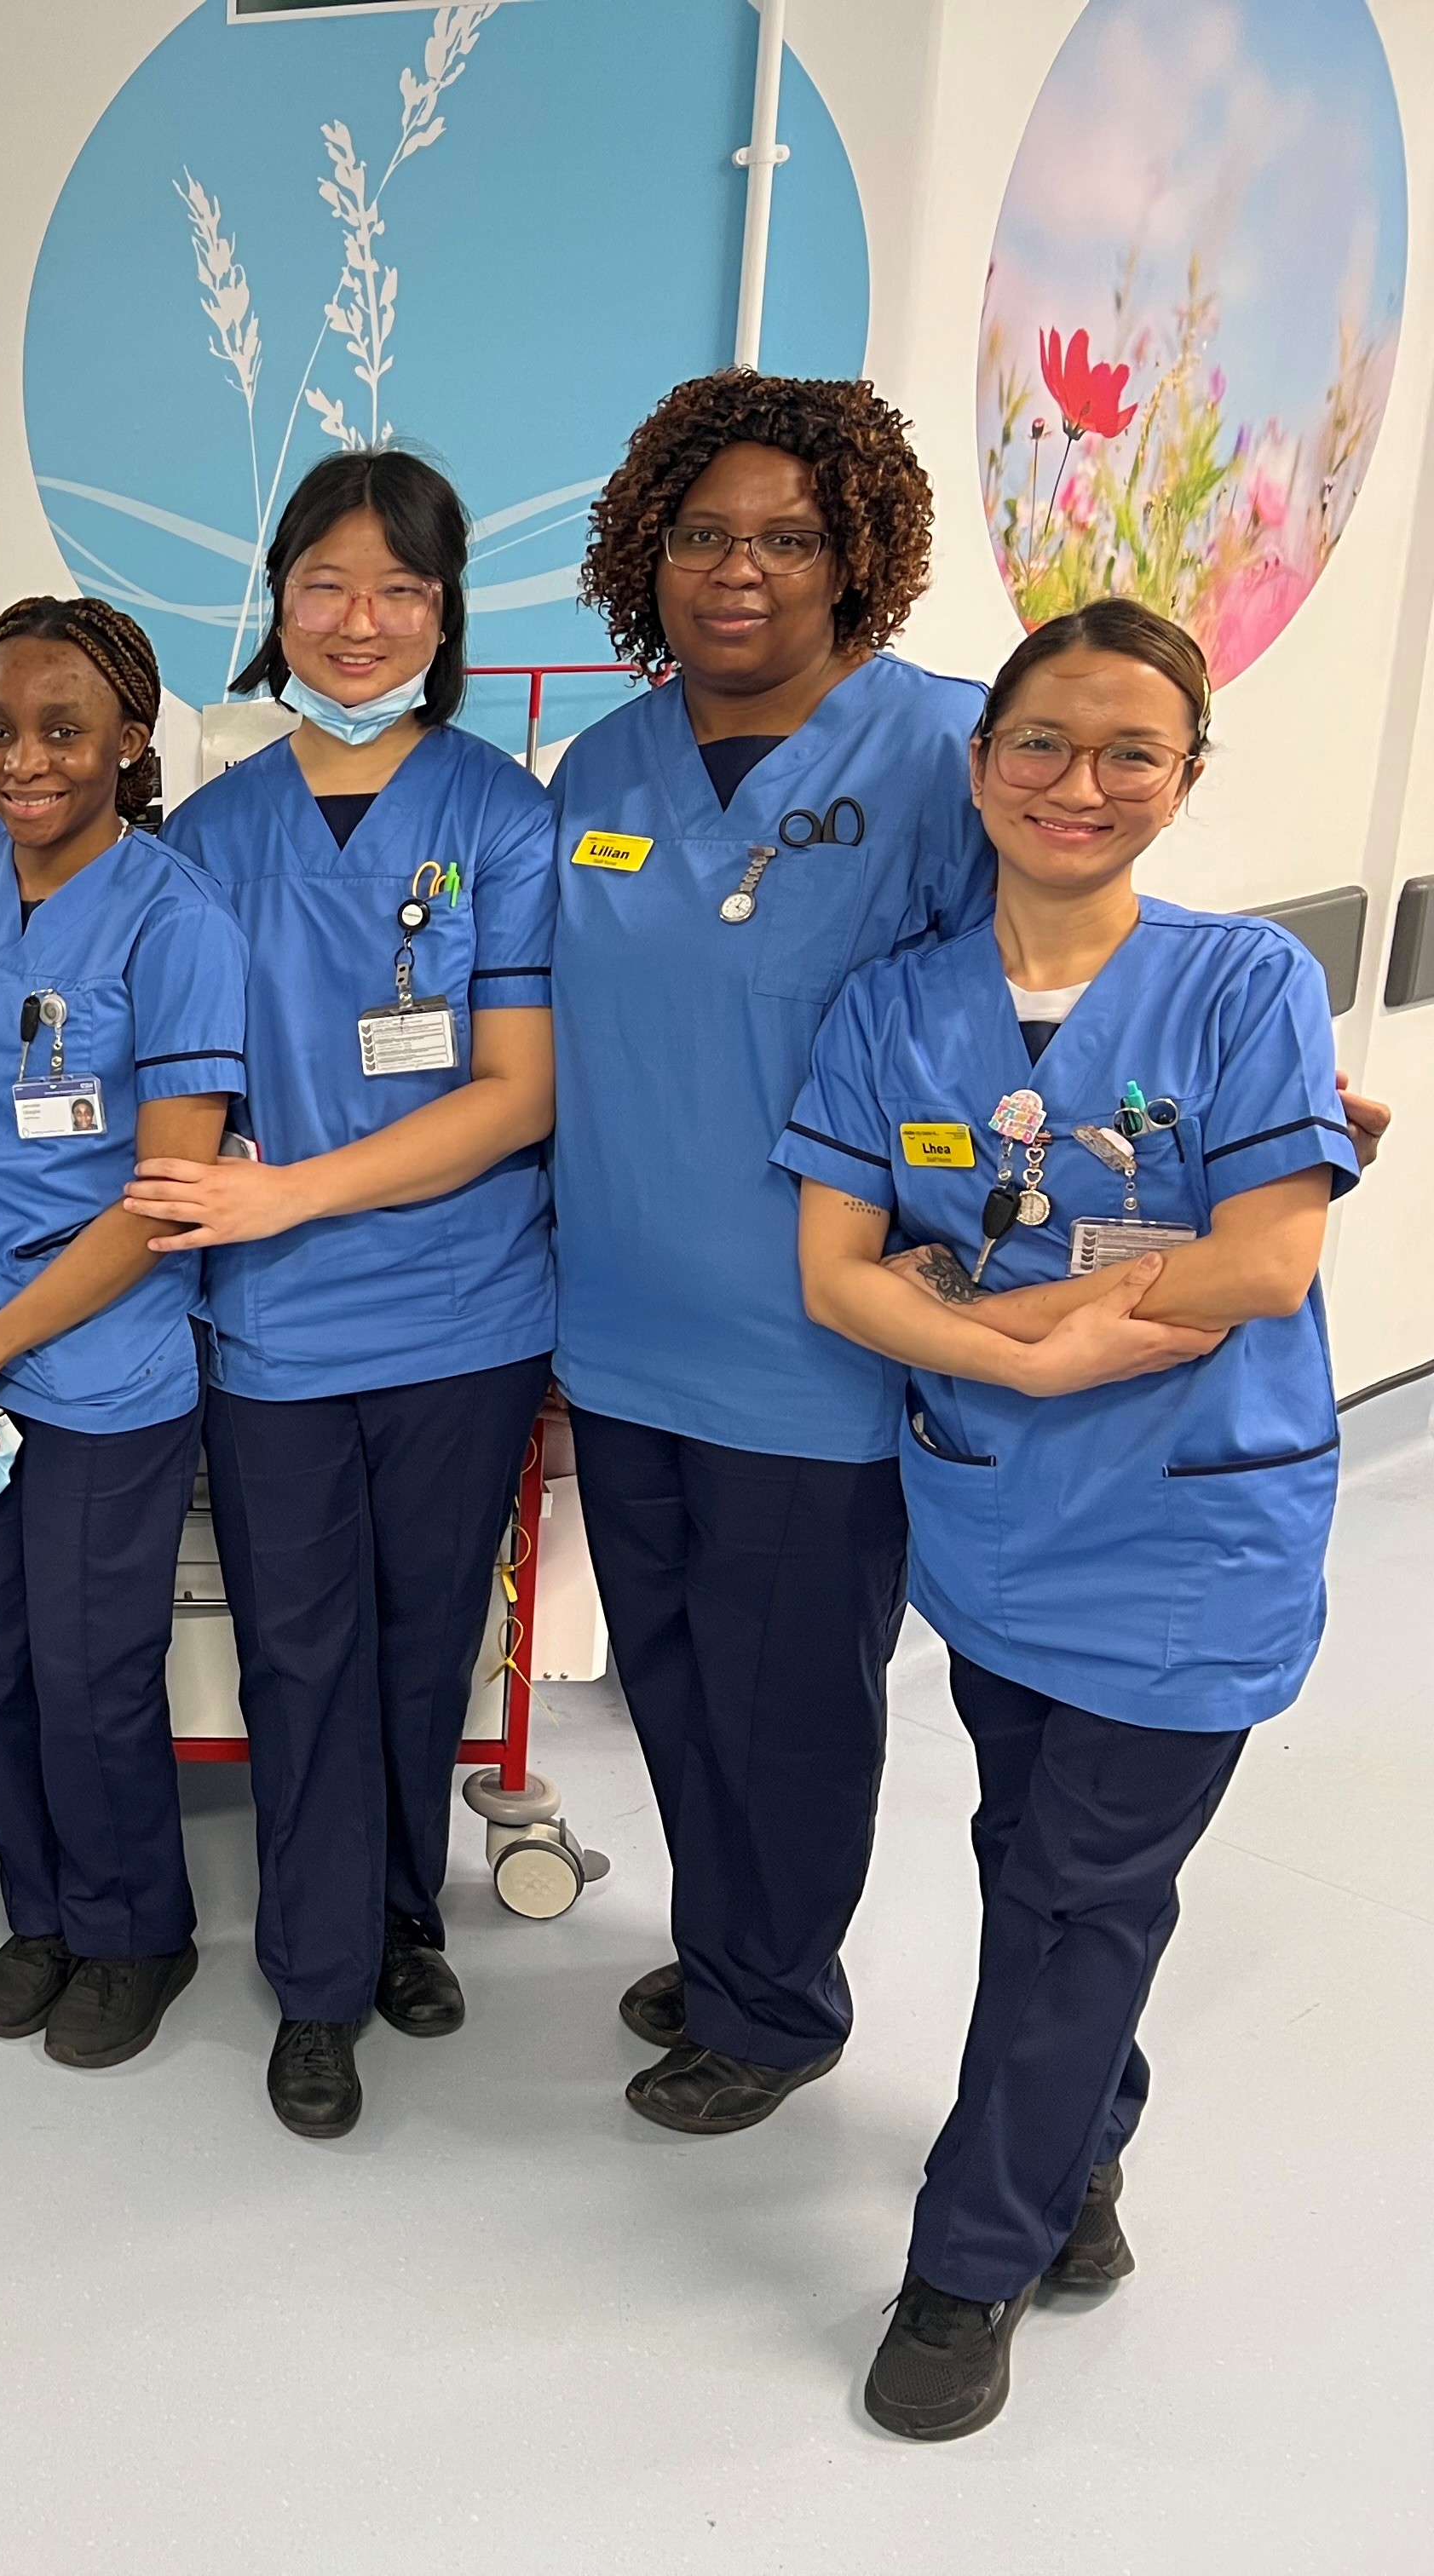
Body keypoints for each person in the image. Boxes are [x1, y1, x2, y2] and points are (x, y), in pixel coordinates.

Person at [773, 601, 1357, 2439]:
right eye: (1040, 744)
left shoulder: (1244, 984)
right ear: (980, 766)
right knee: (1035, 1861)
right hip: (1000, 1515)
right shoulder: (895, 1004)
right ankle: (1081, 2155)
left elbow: (1266, 1259)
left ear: (1183, 782)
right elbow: (831, 1272)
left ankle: (969, 2262)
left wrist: (972, 1327)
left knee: (1080, 1896)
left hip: (1191, 1535)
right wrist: (1021, 1366)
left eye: (1130, 753)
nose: (1077, 783)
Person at [546, 372, 993, 2136]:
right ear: (646, 555)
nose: (742, 571)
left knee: (788, 1699)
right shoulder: (601, 765)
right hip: (621, 1323)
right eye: (706, 534)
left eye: (790, 539)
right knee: (668, 1674)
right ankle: (737, 1940)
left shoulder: (945, 762)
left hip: (816, 1343)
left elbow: (1060, 985)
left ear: (855, 559)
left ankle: (779, 2000)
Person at [137, 451, 558, 2142]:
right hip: (277, 1331)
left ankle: (401, 1911)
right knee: (303, 1653)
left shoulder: (506, 816)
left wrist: (288, 1189)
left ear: (445, 616)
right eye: (327, 583)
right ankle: (319, 1983)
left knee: (421, 1643)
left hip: (464, 1315)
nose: (362, 621)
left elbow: (516, 1092)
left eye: (401, 590)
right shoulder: (211, 834)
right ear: (277, 599)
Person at [0, 595, 246, 2072]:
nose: (23, 759)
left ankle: (135, 1924)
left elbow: (164, 1195)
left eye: (64, 729)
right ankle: (43, 1905)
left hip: (97, 1366)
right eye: (1, 728)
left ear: (130, 741)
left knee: (91, 1667)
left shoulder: (174, 920)